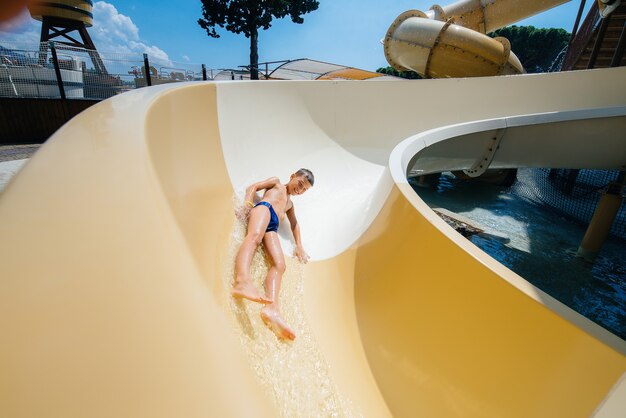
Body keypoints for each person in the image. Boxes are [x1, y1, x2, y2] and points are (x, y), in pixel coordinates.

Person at [232, 168, 314, 341]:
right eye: (299, 184)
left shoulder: (290, 205)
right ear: (292, 176)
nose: (299, 190)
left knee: (280, 265)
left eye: (304, 189)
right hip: (264, 208)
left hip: (273, 226)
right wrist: (247, 205)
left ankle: (273, 308)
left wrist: (299, 246)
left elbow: (295, 224)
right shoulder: (277, 183)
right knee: (254, 237)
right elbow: (253, 187)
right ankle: (242, 281)